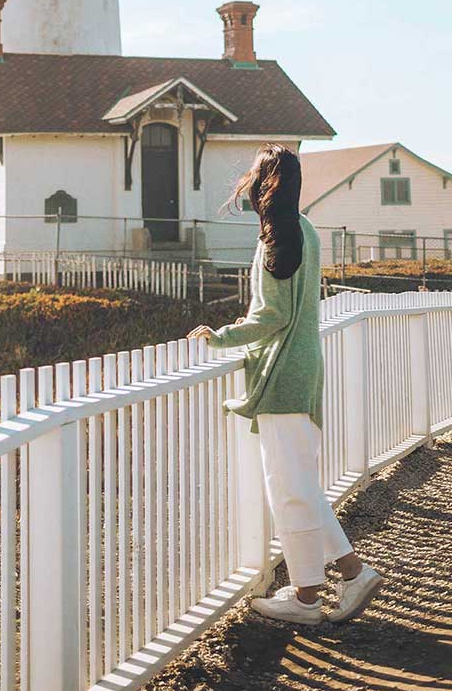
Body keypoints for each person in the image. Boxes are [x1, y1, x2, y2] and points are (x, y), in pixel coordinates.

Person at [188, 143, 382, 624]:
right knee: (300, 486)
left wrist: (222, 337)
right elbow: (286, 308)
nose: (248, 184)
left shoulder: (278, 239)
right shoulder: (306, 230)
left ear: (265, 184)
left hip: (283, 376)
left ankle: (308, 597)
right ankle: (352, 574)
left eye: (255, 176)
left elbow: (272, 314)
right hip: (301, 368)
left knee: (290, 490)